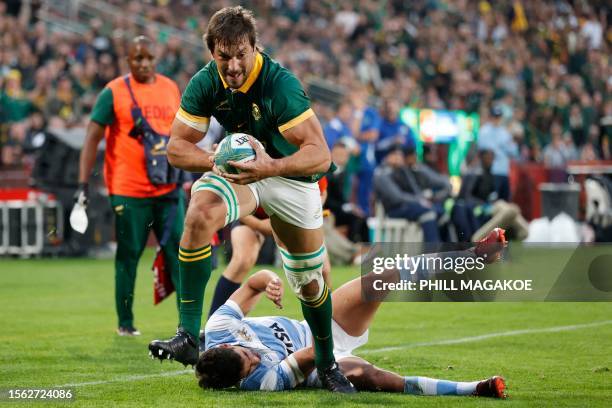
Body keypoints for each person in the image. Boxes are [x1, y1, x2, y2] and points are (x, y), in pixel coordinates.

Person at [148, 6, 355, 393]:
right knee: (199, 212)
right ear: (212, 53)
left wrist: (270, 167)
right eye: (223, 57)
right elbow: (175, 148)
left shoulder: (280, 84)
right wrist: (214, 159)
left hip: (291, 177)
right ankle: (190, 336)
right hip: (242, 171)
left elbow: (321, 155)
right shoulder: (206, 82)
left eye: (240, 54)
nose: (233, 65)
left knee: (309, 281)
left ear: (254, 48)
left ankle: (327, 364)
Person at [195, 230, 507, 396]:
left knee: (381, 279)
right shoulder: (261, 382)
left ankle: (472, 255)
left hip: (320, 324)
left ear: (225, 345)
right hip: (321, 360)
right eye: (249, 367)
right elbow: (313, 352)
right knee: (373, 377)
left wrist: (271, 281)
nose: (256, 360)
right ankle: (474, 389)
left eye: (247, 355)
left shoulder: (220, 327)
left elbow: (252, 284)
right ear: (238, 381)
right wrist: (350, 367)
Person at [76, 36, 185, 336]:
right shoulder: (113, 92)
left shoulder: (170, 87)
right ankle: (125, 323)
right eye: (138, 58)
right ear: (128, 60)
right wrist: (82, 184)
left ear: (156, 58)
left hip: (168, 188)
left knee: (181, 252)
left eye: (149, 57)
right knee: (129, 255)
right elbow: (91, 139)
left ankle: (186, 326)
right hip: (129, 189)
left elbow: (180, 133)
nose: (145, 63)